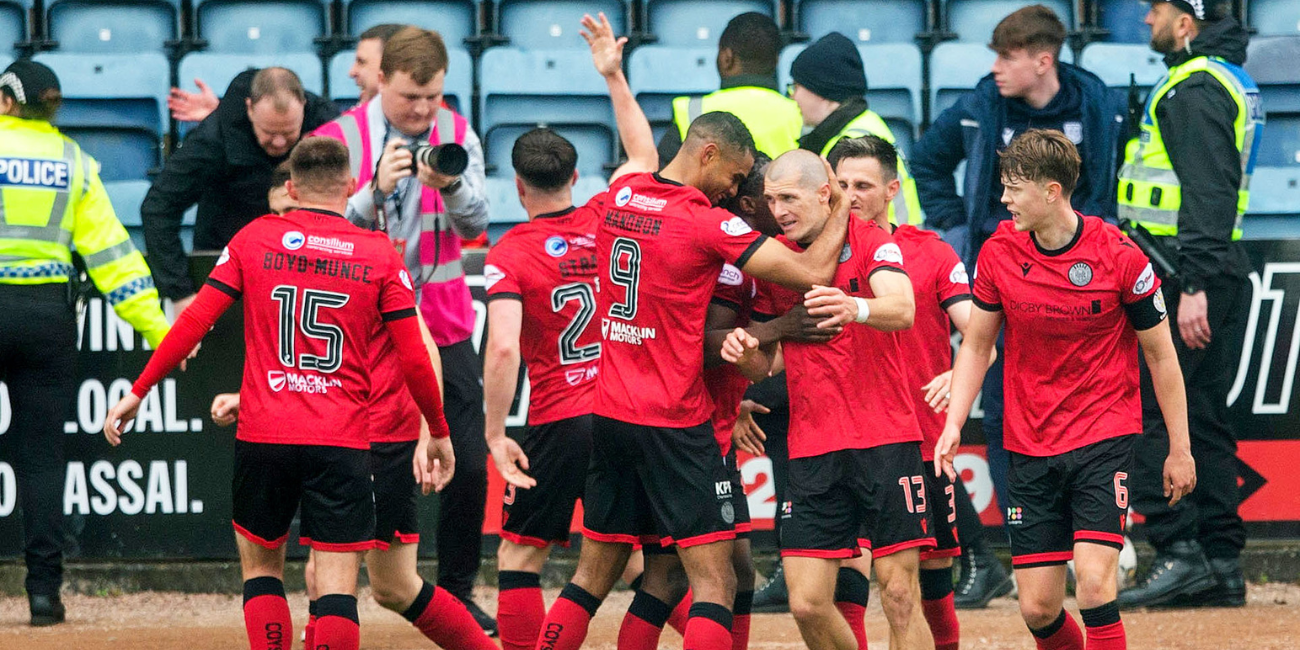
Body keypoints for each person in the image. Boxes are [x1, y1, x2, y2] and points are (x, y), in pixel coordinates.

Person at [105, 136, 457, 650]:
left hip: (265, 434)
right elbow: (414, 356)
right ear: (353, 186)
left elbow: (196, 319)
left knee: (262, 574)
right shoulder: (378, 254)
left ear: (290, 188)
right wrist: (439, 430)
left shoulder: (254, 238)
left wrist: (140, 389)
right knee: (337, 590)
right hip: (341, 441)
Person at [533, 115, 854, 650]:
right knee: (717, 581)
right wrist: (839, 204)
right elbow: (816, 275)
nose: (735, 188)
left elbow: (638, 152)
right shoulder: (705, 222)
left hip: (611, 412)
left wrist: (613, 76)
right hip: (674, 423)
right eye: (736, 174)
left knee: (597, 578)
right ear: (708, 154)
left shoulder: (622, 193)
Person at [935, 129, 1195, 650]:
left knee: (1095, 583)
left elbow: (1161, 355)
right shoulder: (998, 253)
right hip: (1028, 440)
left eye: (1013, 189)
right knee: (1037, 608)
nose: (1003, 199)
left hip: (1104, 435)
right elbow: (977, 346)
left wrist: (1180, 447)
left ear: (1052, 192)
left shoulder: (1120, 257)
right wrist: (954, 422)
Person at [909, 5, 1124, 607]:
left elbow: (1110, 181)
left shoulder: (1096, 101)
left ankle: (1100, 540)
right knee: (1004, 412)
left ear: (1042, 60)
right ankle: (1029, 543)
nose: (996, 68)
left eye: (1007, 56)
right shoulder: (982, 104)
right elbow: (926, 160)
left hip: (1088, 281)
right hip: (1004, 277)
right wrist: (958, 228)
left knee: (1098, 403)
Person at [481, 15, 658, 650]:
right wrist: (612, 76)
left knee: (520, 557)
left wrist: (496, 432)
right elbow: (643, 156)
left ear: (519, 185)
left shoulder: (511, 252)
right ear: (576, 176)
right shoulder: (612, 214)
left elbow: (502, 346)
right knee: (644, 562)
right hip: (630, 410)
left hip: (562, 415)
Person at [314, 25, 496, 632]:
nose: (422, 111)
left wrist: (451, 185)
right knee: (342, 458)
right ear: (381, 79)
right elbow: (315, 226)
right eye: (409, 98)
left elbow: (479, 219)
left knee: (469, 464)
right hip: (359, 324)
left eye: (433, 97)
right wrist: (372, 194)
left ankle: (459, 590)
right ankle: (331, 595)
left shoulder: (455, 133)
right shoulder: (338, 138)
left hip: (441, 318)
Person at [722, 150, 935, 650]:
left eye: (789, 197)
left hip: (886, 439)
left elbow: (902, 308)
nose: (778, 209)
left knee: (901, 594)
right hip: (813, 446)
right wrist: (744, 351)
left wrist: (854, 306)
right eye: (771, 199)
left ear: (823, 195)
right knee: (807, 602)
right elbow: (767, 364)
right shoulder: (777, 260)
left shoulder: (870, 241)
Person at [0, 60, 172, 627]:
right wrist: (160, 333)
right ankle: (44, 596)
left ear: (6, 100)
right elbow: (114, 259)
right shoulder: (74, 163)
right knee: (43, 459)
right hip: (47, 316)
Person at [208, 329, 498, 650]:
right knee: (396, 585)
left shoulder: (374, 276)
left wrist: (430, 431)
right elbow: (311, 360)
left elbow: (421, 345)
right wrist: (251, 398)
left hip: (369, 437)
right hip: (350, 432)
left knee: (327, 577)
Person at [1116, 0, 1261, 610]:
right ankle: (1222, 562)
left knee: (1157, 412)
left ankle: (1180, 554)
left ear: (1187, 22)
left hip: (1183, 270)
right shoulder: (1228, 76)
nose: (1146, 21)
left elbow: (1208, 191)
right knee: (1202, 415)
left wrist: (1194, 284)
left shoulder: (1195, 86)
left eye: (1157, 10)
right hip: (1203, 265)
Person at [827, 134, 986, 650]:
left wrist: (957, 371)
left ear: (892, 189)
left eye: (864, 185)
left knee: (929, 585)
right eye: (842, 183)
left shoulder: (931, 252)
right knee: (844, 574)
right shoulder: (808, 255)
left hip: (918, 439)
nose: (852, 195)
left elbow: (980, 337)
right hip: (841, 439)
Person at [143, 67, 339, 314]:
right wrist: (180, 293)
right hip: (227, 268)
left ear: (304, 106)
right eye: (269, 133)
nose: (279, 143)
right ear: (249, 109)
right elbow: (158, 207)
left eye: (289, 133)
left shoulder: (328, 125)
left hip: (308, 271)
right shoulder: (213, 139)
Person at [787, 32, 923, 226]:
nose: (793, 96)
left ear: (823, 91)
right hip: (897, 244)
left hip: (883, 247)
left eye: (796, 86)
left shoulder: (849, 145)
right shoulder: (866, 124)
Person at [168, 23, 406, 122]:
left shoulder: (436, 128)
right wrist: (227, 113)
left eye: (362, 62)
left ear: (391, 66)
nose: (351, 72)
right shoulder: (352, 123)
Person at [657, 12, 802, 165]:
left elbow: (666, 177)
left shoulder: (692, 110)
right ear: (776, 61)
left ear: (727, 57)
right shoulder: (799, 112)